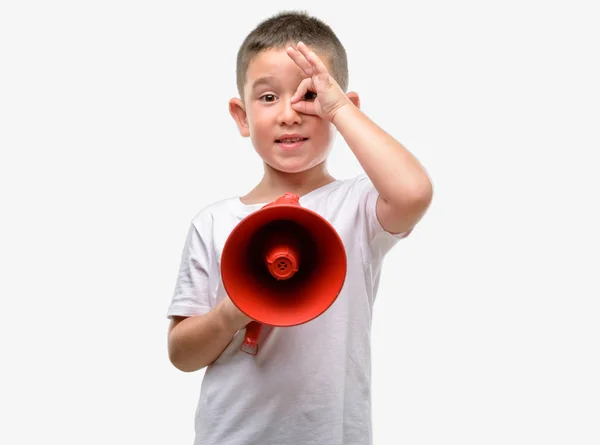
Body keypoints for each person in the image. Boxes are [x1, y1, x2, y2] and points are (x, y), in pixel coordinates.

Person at [166, 10, 433, 445]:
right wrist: (231, 312)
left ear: (342, 110)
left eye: (309, 96)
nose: (289, 114)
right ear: (241, 116)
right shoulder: (213, 223)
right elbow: (181, 353)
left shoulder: (358, 206)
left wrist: (339, 108)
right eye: (268, 98)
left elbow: (414, 192)